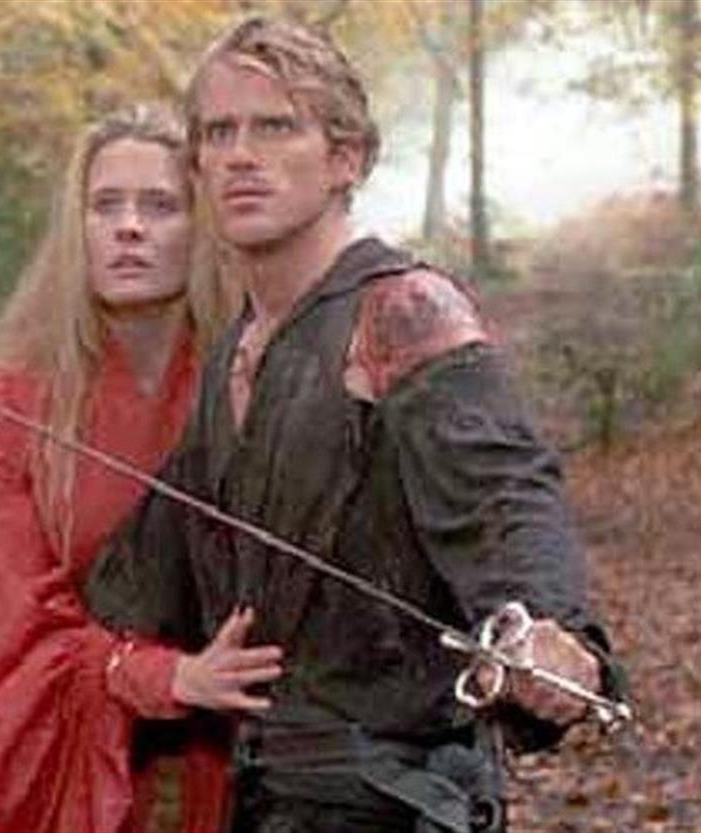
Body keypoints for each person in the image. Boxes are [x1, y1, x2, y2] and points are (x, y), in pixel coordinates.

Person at [85, 18, 628, 833]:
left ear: (347, 158)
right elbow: (144, 578)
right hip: (269, 792)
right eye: (219, 133)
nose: (241, 155)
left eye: (276, 127)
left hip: (394, 797)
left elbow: (505, 491)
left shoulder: (406, 309)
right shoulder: (236, 343)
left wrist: (551, 632)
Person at [0, 104, 284, 833]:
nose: (129, 228)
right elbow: (10, 620)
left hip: (245, 756)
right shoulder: (14, 401)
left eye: (160, 206)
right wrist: (165, 675)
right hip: (84, 762)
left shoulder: (255, 380)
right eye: (106, 205)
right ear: (77, 228)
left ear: (204, 227)